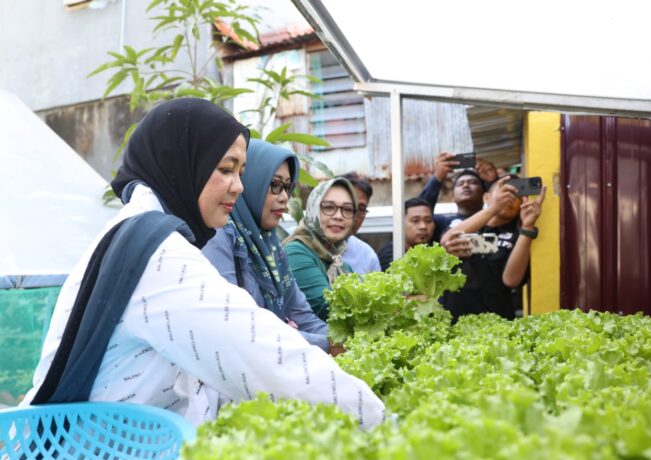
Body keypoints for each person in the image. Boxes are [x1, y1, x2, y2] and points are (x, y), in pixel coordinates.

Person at [21, 98, 384, 429]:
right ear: (182, 164)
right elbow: (262, 355)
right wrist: (384, 422)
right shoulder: (158, 254)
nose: (239, 186)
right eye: (226, 169)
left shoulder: (137, 230)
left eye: (241, 171)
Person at [202, 140, 329, 352]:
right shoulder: (218, 237)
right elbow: (243, 329)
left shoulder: (271, 247)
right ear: (250, 182)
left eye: (288, 187)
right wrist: (326, 345)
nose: (284, 197)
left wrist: (346, 344)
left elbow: (302, 315)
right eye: (275, 184)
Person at [439, 175, 547, 321]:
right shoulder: (465, 223)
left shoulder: (519, 235)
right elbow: (446, 241)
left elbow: (511, 280)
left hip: (496, 322)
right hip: (454, 318)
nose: (510, 198)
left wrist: (527, 227)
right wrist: (494, 209)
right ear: (487, 198)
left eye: (517, 195)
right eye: (504, 192)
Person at [283, 177, 357, 321]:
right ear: (313, 208)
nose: (338, 216)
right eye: (329, 207)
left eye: (347, 209)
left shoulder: (341, 265)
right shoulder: (295, 252)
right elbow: (326, 308)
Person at [419, 152, 497, 242]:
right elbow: (418, 210)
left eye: (472, 182)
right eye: (460, 184)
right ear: (452, 196)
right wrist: (437, 178)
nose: (466, 185)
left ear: (485, 195)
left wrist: (493, 182)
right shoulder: (440, 223)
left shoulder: (495, 220)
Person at [377, 197, 435, 271]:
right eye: (415, 221)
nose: (423, 226)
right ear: (400, 224)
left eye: (428, 221)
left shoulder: (436, 250)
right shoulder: (390, 253)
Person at [339, 171, 380, 274]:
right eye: (347, 207)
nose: (353, 215)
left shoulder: (368, 257)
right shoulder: (297, 242)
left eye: (361, 208)